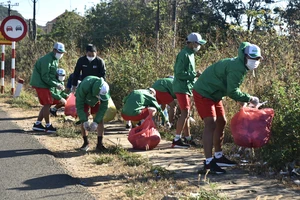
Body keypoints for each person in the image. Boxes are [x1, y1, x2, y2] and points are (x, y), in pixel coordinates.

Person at [193, 42, 263, 174]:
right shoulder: (237, 67)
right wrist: (249, 98)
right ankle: (208, 163)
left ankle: (218, 156)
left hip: (215, 93)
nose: (254, 61)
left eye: (257, 59)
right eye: (252, 58)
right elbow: (232, 91)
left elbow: (230, 86)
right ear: (245, 56)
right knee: (210, 123)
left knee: (221, 121)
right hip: (204, 92)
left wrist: (240, 99)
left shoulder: (240, 65)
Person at [172, 32, 206, 148]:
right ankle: (177, 139)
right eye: (198, 43)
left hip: (187, 87)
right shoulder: (184, 54)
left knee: (186, 113)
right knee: (185, 113)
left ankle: (188, 138)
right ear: (191, 43)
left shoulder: (191, 54)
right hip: (181, 87)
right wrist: (194, 74)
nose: (199, 46)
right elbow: (179, 73)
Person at [30, 42, 66, 133]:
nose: (61, 54)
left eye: (62, 52)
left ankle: (38, 124)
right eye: (59, 52)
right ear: (54, 50)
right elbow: (45, 76)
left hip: (46, 84)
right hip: (41, 83)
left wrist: (58, 83)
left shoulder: (55, 60)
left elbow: (52, 75)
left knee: (48, 104)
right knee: (47, 103)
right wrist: (55, 84)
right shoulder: (47, 60)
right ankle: (48, 125)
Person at [75, 75, 110, 152]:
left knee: (100, 119)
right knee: (84, 116)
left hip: (96, 99)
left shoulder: (105, 89)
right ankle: (85, 143)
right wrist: (84, 120)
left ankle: (99, 144)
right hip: (84, 99)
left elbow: (103, 108)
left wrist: (96, 122)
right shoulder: (84, 86)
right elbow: (79, 105)